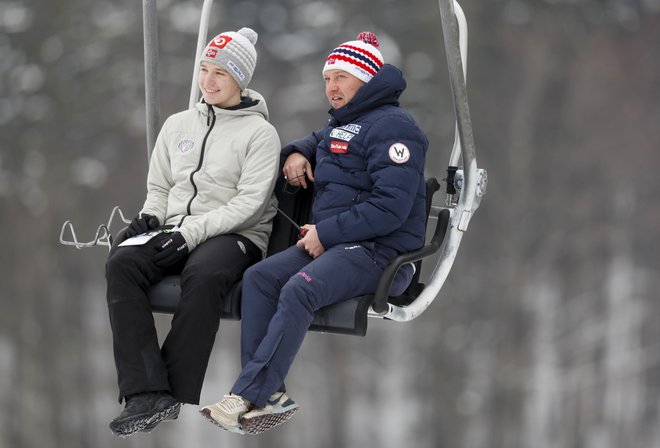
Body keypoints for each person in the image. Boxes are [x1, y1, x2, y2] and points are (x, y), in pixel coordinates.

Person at [199, 31, 429, 435]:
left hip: (380, 252)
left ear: (367, 78)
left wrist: (327, 232)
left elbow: (391, 207)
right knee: (260, 278)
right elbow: (321, 139)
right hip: (339, 244)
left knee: (300, 288)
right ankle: (270, 396)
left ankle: (249, 393)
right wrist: (298, 152)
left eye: (341, 77)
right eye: (327, 79)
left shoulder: (397, 129)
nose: (332, 87)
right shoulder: (348, 122)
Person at [105, 27, 281, 437]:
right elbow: (161, 187)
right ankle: (146, 392)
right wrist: (151, 217)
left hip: (235, 235)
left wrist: (190, 233)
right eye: (204, 69)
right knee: (123, 262)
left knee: (202, 276)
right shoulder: (177, 125)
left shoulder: (259, 134)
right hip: (176, 229)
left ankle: (175, 389)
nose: (208, 81)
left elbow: (248, 204)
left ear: (241, 79)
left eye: (220, 72)